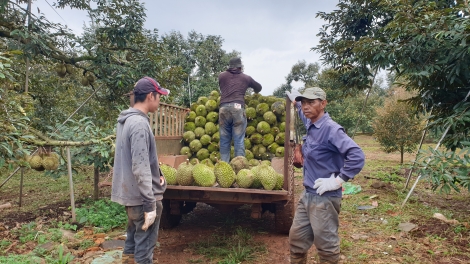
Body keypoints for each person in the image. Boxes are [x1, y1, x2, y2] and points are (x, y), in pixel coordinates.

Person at [286, 87, 365, 264]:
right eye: (304, 103)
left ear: (323, 104)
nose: (306, 107)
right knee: (296, 241)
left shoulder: (331, 129)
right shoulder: (310, 123)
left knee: (326, 247)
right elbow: (300, 108)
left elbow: (357, 155)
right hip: (307, 195)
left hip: (325, 198)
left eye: (311, 102)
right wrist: (295, 100)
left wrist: (338, 180)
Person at [111, 76, 169, 264]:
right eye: (159, 96)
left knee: (132, 243)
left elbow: (134, 159)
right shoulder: (139, 125)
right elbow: (140, 167)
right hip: (142, 199)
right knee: (144, 252)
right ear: (150, 96)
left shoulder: (126, 120)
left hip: (132, 197)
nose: (160, 100)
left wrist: (157, 175)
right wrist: (150, 205)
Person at [218, 57, 262, 162]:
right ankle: (239, 167)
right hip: (237, 108)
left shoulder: (221, 76)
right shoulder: (246, 78)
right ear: (240, 67)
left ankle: (224, 165)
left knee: (224, 140)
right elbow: (259, 87)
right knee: (238, 139)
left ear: (229, 66)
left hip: (223, 108)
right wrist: (254, 89)